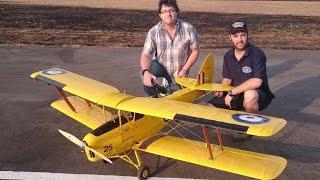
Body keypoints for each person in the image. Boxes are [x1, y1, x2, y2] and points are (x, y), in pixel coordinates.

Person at [208, 21, 275, 141]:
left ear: (248, 35)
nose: (240, 39)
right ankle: (239, 110)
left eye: (243, 35)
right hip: (235, 92)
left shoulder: (257, 54)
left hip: (258, 94)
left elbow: (256, 82)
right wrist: (221, 89)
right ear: (230, 38)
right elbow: (227, 78)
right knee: (207, 108)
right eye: (236, 36)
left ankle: (248, 128)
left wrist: (230, 93)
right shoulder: (228, 55)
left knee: (250, 95)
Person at [140, 0, 200, 97]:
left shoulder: (189, 28)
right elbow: (146, 54)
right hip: (161, 71)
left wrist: (185, 70)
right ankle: (153, 100)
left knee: (180, 103)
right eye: (164, 11)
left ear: (177, 12)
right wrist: (145, 72)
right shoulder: (153, 31)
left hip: (180, 74)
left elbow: (195, 50)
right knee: (147, 70)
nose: (168, 14)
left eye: (171, 10)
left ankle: (171, 89)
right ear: (160, 15)